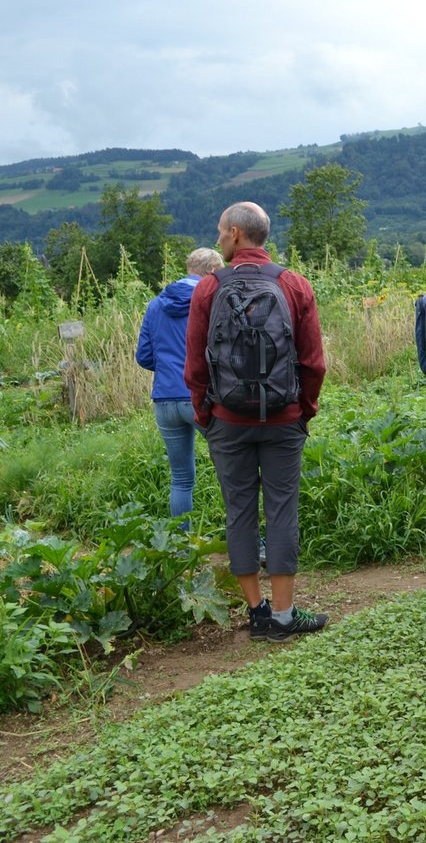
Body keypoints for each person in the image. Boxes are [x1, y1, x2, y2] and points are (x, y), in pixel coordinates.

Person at [185, 201, 328, 642]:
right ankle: (284, 617)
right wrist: (303, 411)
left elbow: (195, 367)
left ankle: (257, 613)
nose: (218, 238)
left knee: (239, 512)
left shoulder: (208, 289)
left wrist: (207, 416)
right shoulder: (294, 284)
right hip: (284, 419)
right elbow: (314, 363)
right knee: (283, 510)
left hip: (227, 420)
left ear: (235, 233)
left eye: (220, 231)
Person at [136, 247, 224, 526]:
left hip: (165, 399)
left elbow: (144, 356)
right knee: (234, 472)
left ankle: (181, 544)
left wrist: (169, 369)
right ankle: (247, 541)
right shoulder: (211, 299)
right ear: (212, 271)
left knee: (181, 479)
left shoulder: (156, 304)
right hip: (201, 398)